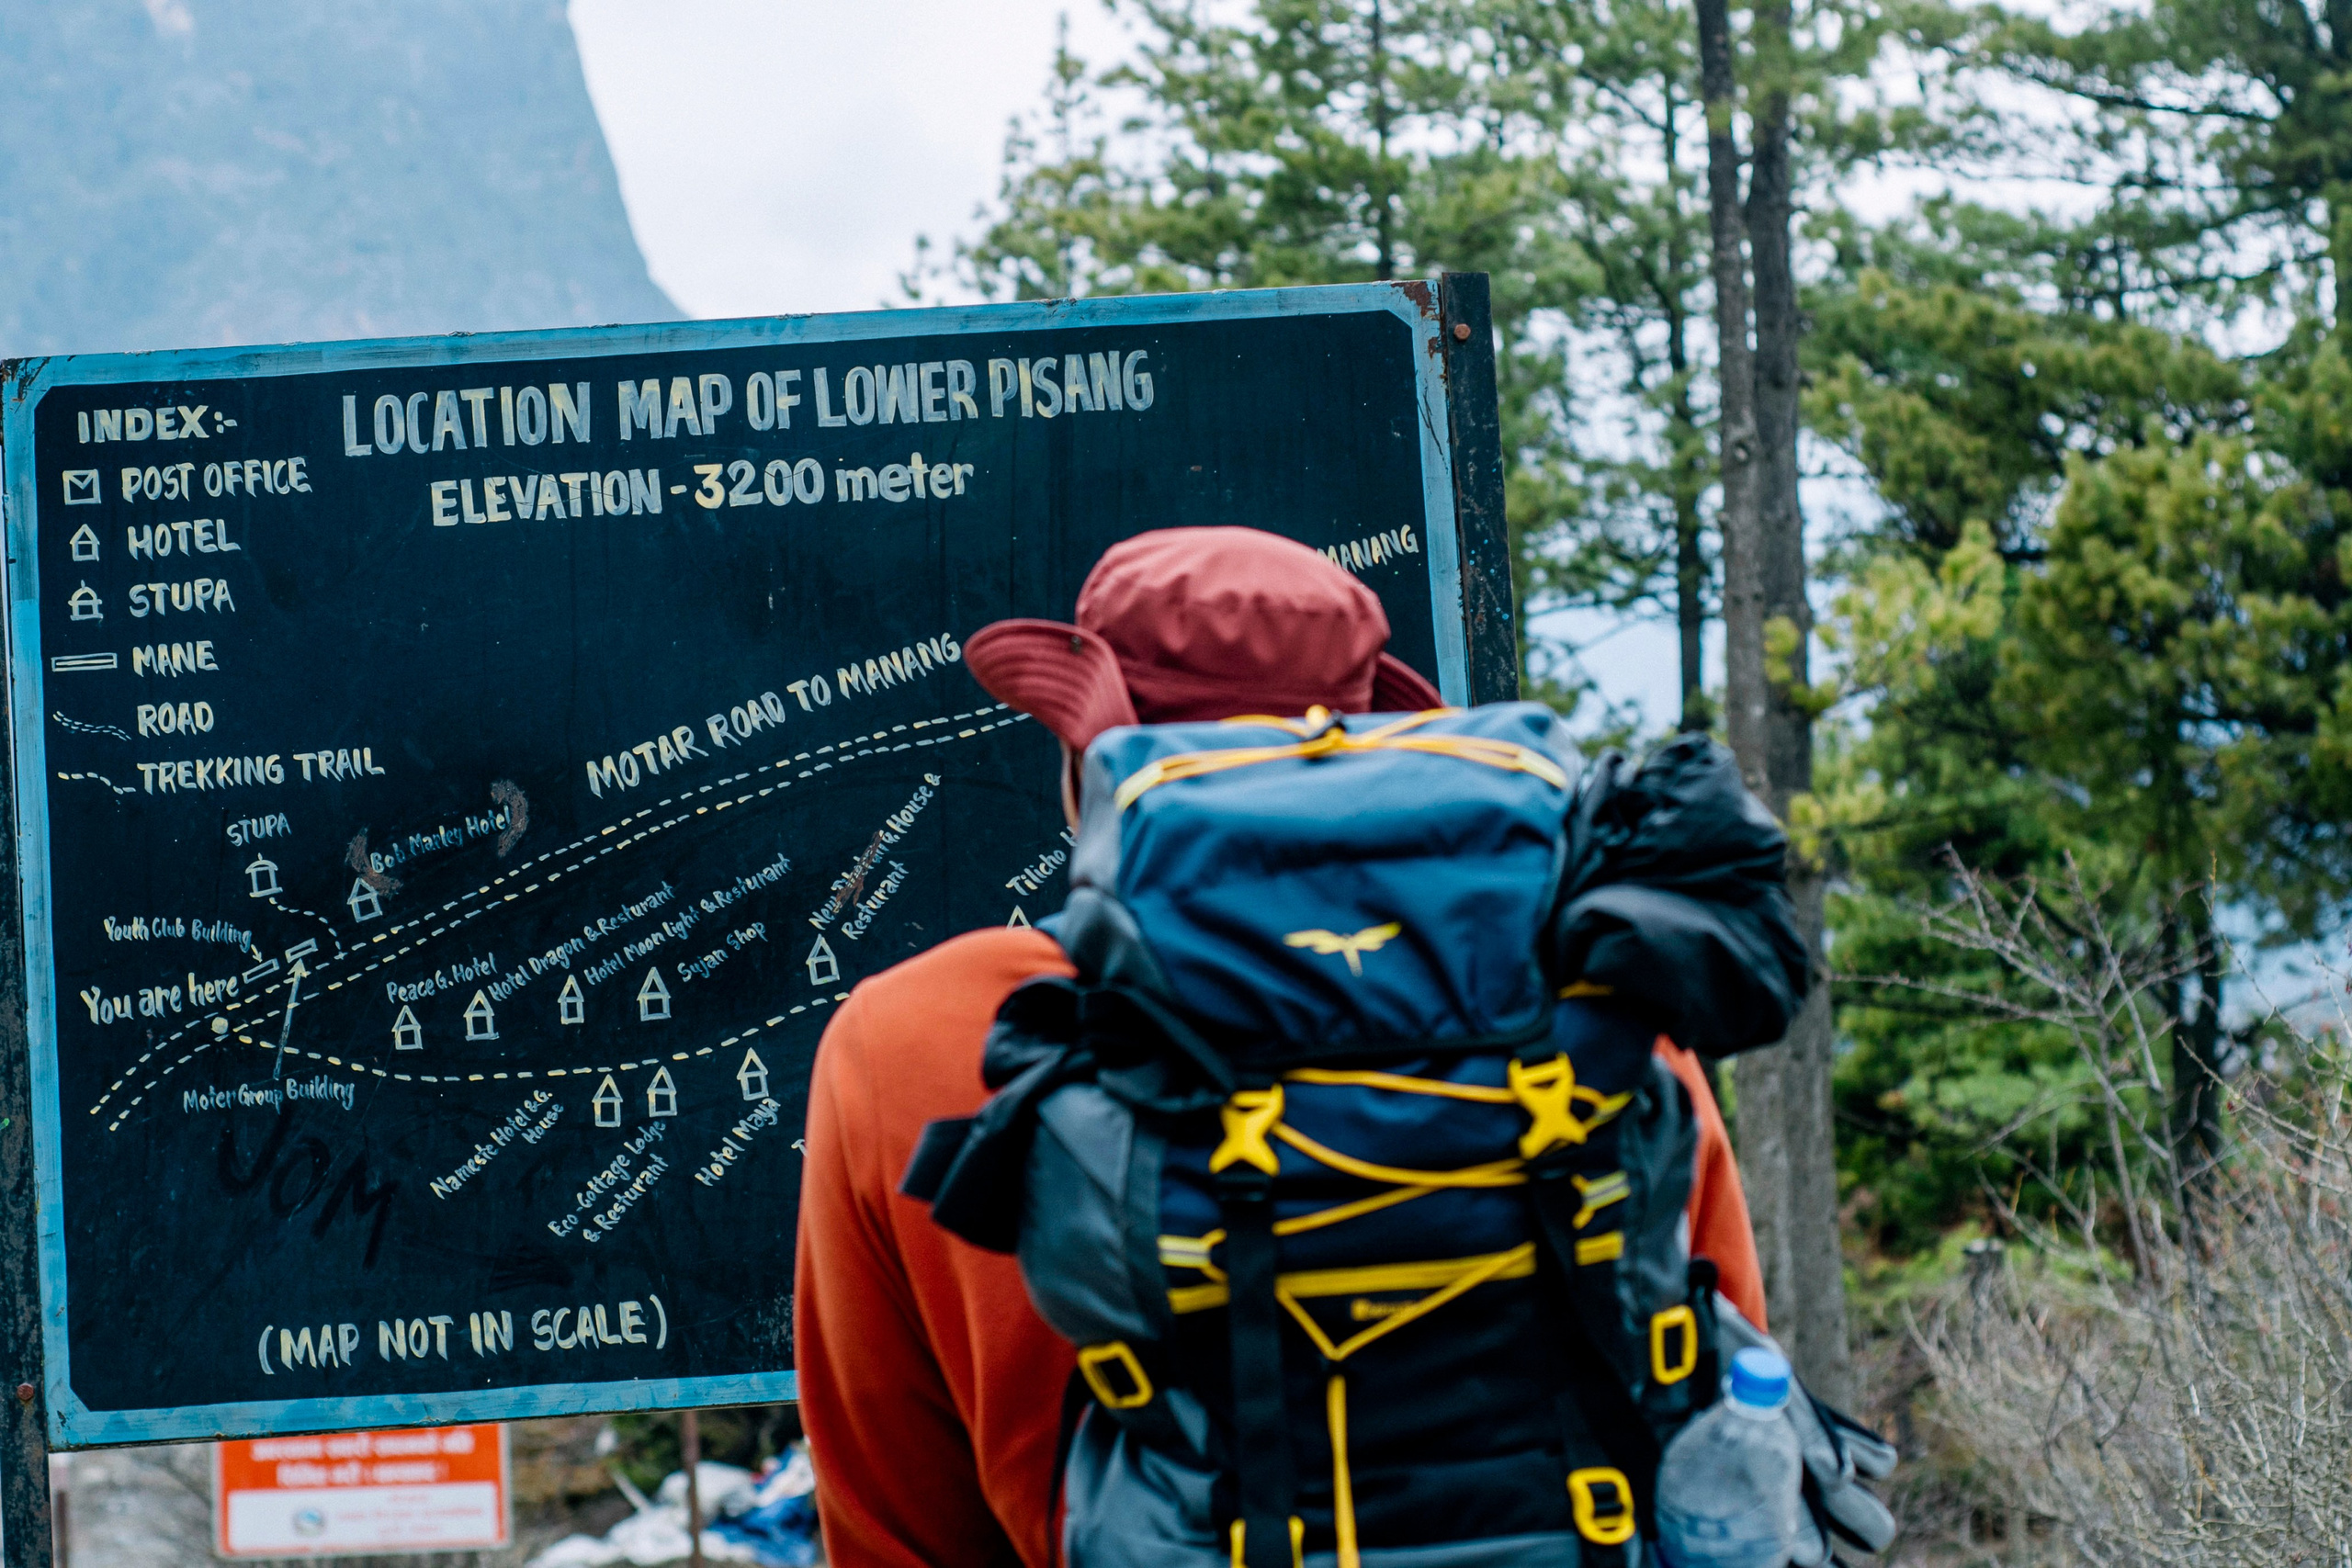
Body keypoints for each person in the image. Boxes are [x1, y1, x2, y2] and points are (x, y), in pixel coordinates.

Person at [794, 526, 1766, 1568]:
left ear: (1091, 766)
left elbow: (893, 1529)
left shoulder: (913, 1039)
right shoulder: (1590, 1013)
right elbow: (1719, 1421)